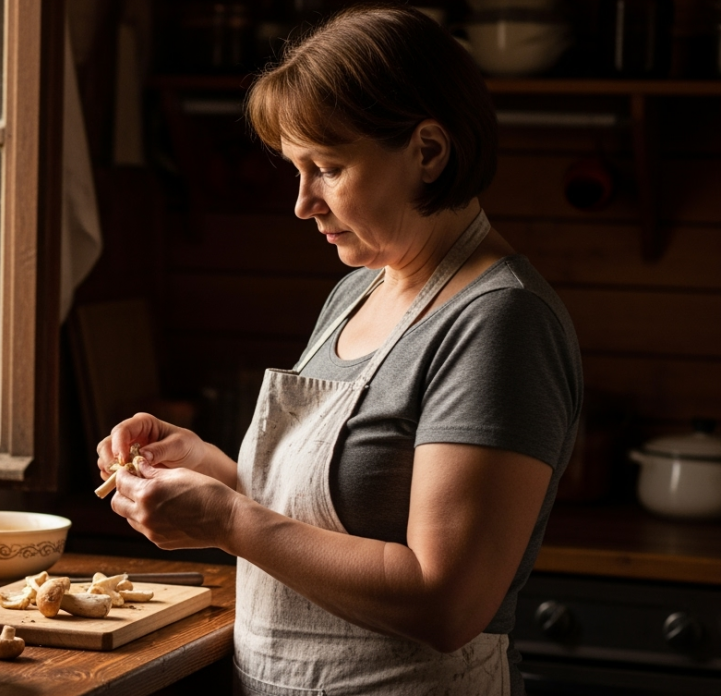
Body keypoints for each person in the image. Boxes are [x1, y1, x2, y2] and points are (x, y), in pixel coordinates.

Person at [96, 7, 582, 695]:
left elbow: (445, 603)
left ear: (429, 152)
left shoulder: (500, 323)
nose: (303, 203)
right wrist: (218, 478)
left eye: (327, 167)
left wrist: (229, 519)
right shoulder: (356, 293)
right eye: (298, 169)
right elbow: (330, 524)